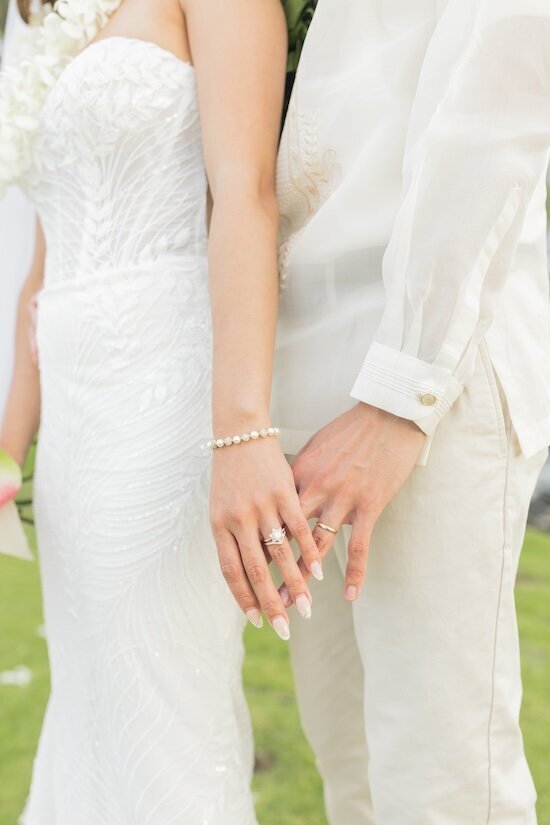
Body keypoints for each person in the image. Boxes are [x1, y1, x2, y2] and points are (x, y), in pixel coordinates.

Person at [215, 1, 550, 823]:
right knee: (353, 775)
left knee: (440, 783)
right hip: (306, 372)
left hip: (427, 378)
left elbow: (492, 118)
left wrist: (402, 397)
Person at [0, 0, 320, 821]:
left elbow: (246, 194)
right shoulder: (40, 15)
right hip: (74, 422)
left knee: (160, 698)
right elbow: (45, 268)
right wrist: (8, 445)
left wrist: (242, 428)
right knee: (91, 697)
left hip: (167, 392)